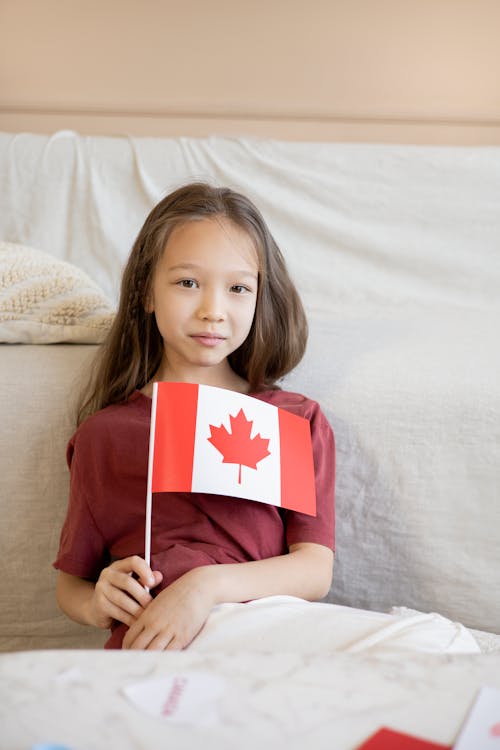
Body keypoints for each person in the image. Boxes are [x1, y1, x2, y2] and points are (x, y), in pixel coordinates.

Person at [54, 182, 335, 651]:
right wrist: (99, 601)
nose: (212, 311)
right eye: (188, 283)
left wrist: (204, 586)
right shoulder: (104, 435)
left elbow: (314, 570)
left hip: (270, 639)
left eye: (238, 288)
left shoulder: (292, 420)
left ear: (259, 299)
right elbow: (72, 585)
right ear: (147, 293)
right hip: (158, 651)